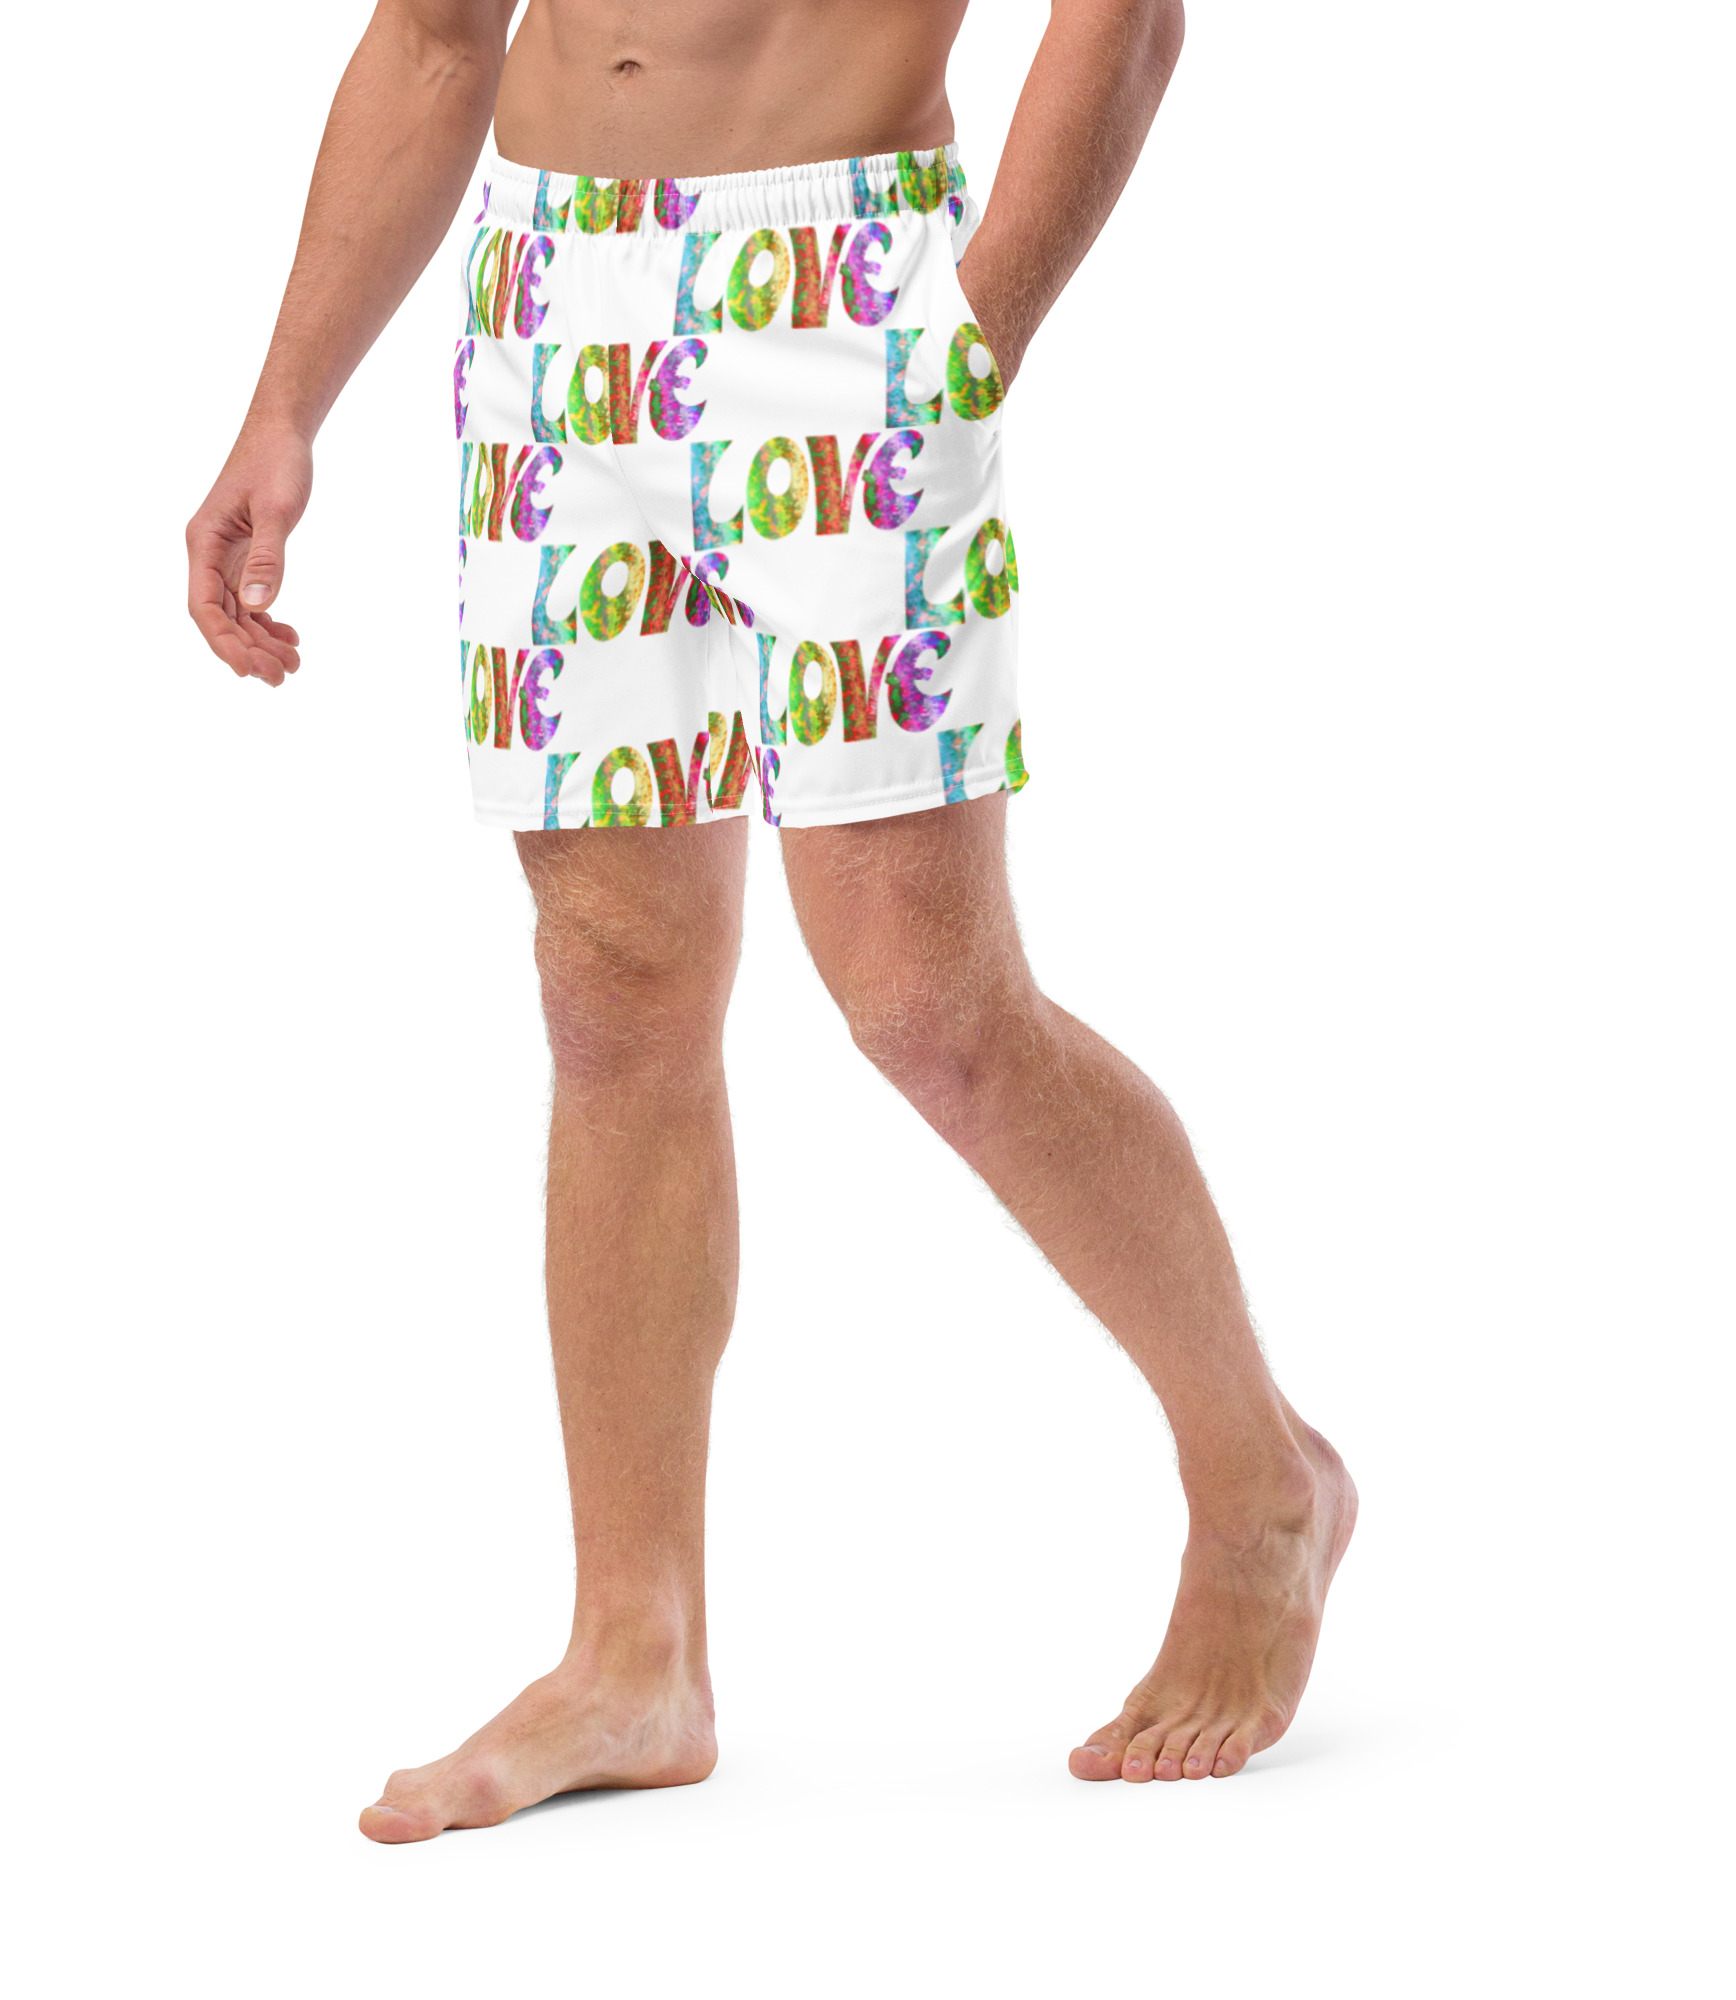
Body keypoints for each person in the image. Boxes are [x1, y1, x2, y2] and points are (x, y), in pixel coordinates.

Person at [186, 0, 1355, 1843]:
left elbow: (1126, 13)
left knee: (930, 1004)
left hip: (842, 286)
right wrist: (285, 403)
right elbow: (431, 38)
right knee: (612, 997)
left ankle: (1263, 1480)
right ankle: (633, 1652)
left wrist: (970, 339)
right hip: (553, 303)